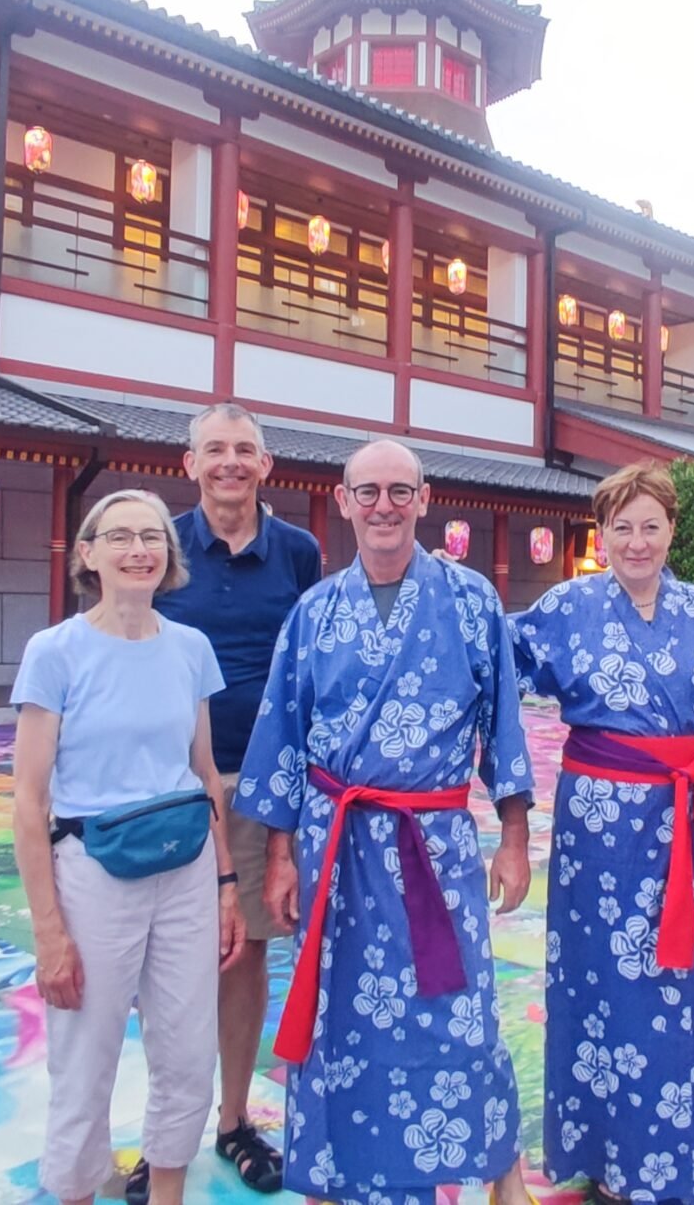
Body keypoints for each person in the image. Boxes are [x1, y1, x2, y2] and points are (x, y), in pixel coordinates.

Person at [235, 439, 535, 1205]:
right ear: (343, 503)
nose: (384, 507)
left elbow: (503, 727)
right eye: (367, 492)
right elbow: (285, 743)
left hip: (434, 845)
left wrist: (514, 839)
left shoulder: (470, 602)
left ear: (426, 500)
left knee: (457, 1009)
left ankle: (493, 1168)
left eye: (400, 492)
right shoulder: (313, 611)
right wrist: (280, 858)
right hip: (335, 846)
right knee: (342, 1013)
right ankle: (337, 1173)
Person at [507, 461, 694, 1205]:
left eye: (650, 525)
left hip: (685, 816)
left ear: (671, 531)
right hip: (598, 827)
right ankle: (602, 1148)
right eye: (621, 527)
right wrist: (450, 596)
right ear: (601, 534)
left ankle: (673, 1156)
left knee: (682, 984)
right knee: (597, 981)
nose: (636, 541)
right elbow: (497, 657)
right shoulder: (569, 606)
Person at [11, 488, 245, 1205]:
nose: (139, 549)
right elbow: (28, 800)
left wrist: (226, 884)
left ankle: (167, 1189)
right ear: (89, 554)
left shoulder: (191, 649)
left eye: (151, 537)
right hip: (94, 870)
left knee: (186, 1044)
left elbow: (203, 771)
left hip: (185, 869)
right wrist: (49, 930)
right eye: (119, 537)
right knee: (86, 1056)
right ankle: (80, 1191)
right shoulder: (55, 653)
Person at [129, 404, 321, 1200]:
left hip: (266, 787)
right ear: (190, 463)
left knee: (245, 954)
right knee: (170, 964)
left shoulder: (299, 553)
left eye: (245, 450)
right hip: (174, 789)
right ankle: (163, 1134)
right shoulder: (161, 547)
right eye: (216, 450)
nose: (230, 463)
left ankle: (234, 1118)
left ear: (266, 465)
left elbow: (314, 661)